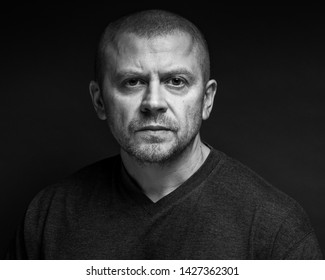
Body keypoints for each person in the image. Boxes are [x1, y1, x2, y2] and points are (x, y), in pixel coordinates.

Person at [7, 9, 322, 260]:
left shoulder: (275, 228)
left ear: (207, 100)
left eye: (176, 81)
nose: (153, 103)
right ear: (99, 100)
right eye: (133, 81)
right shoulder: (48, 217)